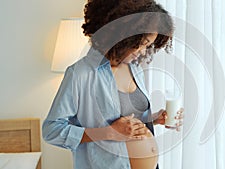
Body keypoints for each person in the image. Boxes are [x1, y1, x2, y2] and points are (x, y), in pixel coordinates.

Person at [42, 0, 183, 169]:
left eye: (148, 46)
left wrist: (154, 119)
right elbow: (51, 131)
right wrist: (108, 132)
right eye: (143, 44)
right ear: (125, 35)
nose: (144, 52)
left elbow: (128, 121)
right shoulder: (81, 74)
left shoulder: (135, 68)